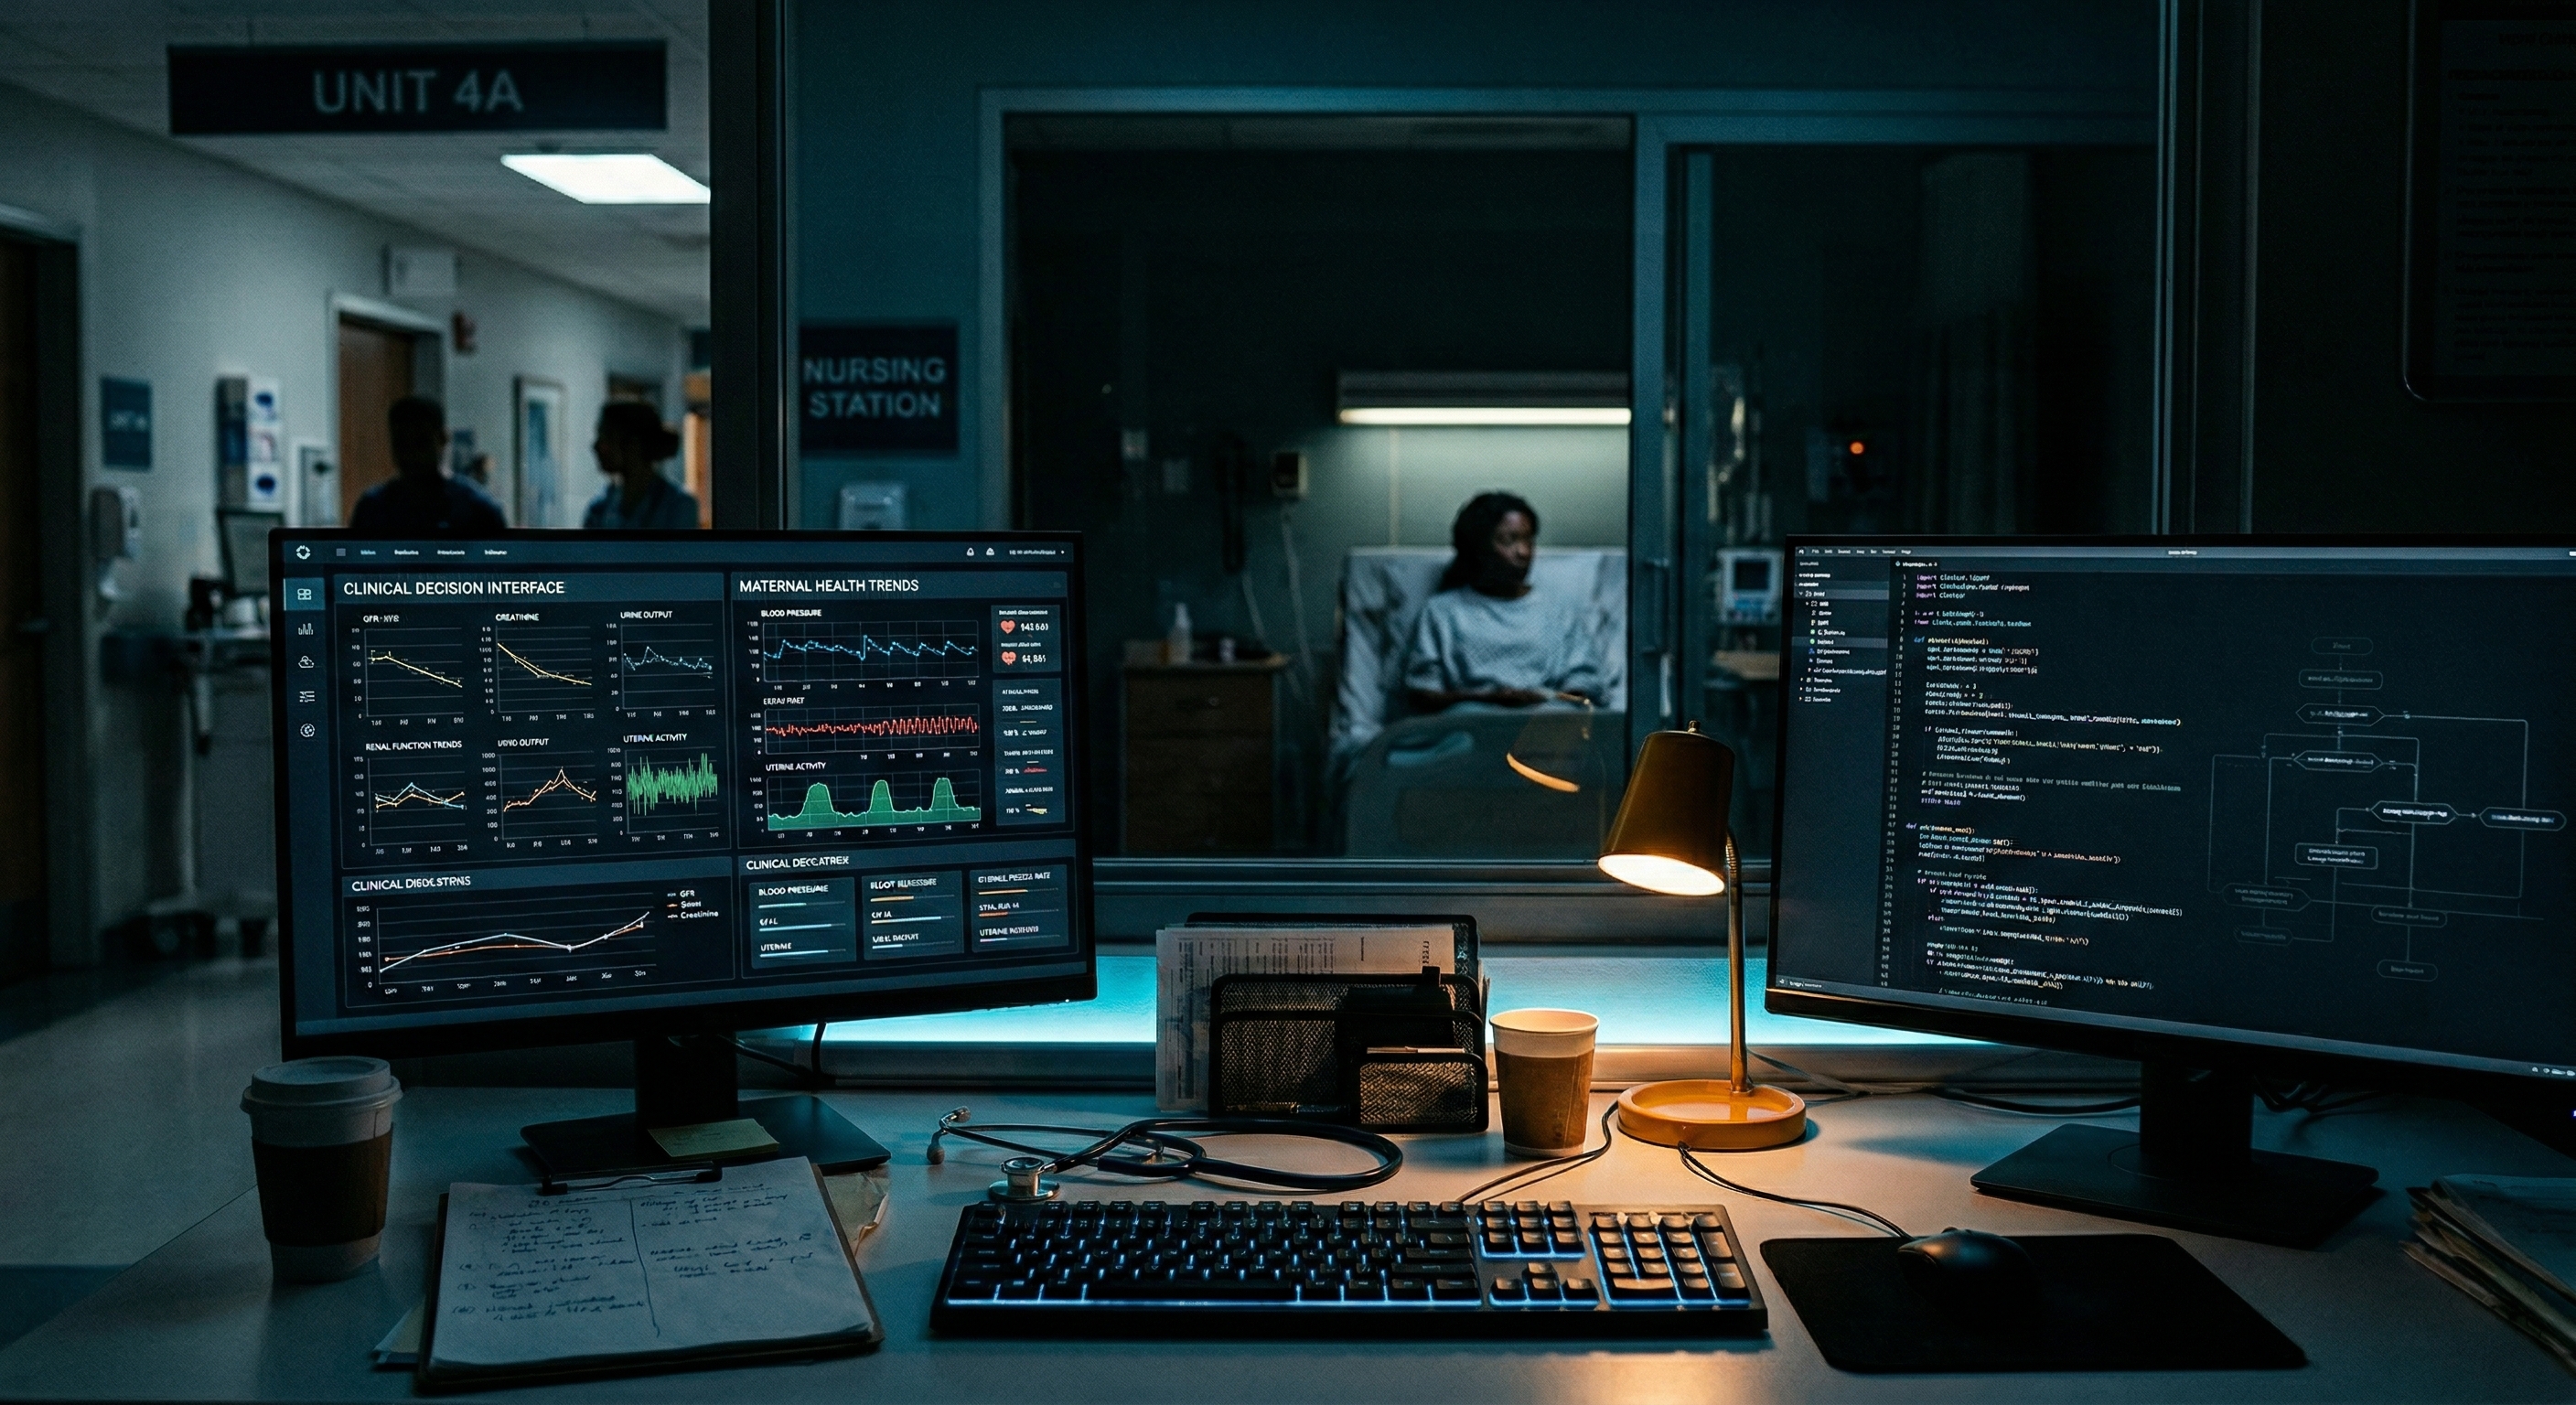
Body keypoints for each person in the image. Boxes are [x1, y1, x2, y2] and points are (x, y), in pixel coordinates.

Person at [1403, 491, 1605, 713]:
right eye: (1509, 541)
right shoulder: (1442, 613)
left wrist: (1544, 700)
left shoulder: (1559, 612)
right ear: (1477, 548)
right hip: (1471, 724)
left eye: (1528, 539)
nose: (1523, 552)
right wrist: (1491, 699)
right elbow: (1422, 694)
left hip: (1545, 723)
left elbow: (1584, 684)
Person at [345, 395, 509, 535]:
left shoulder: (478, 510)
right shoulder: (373, 508)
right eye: (401, 443)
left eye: (421, 443)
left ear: (442, 439)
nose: (411, 454)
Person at [582, 400, 699, 530]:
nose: (596, 447)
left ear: (632, 444)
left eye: (606, 437)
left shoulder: (677, 506)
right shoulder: (599, 508)